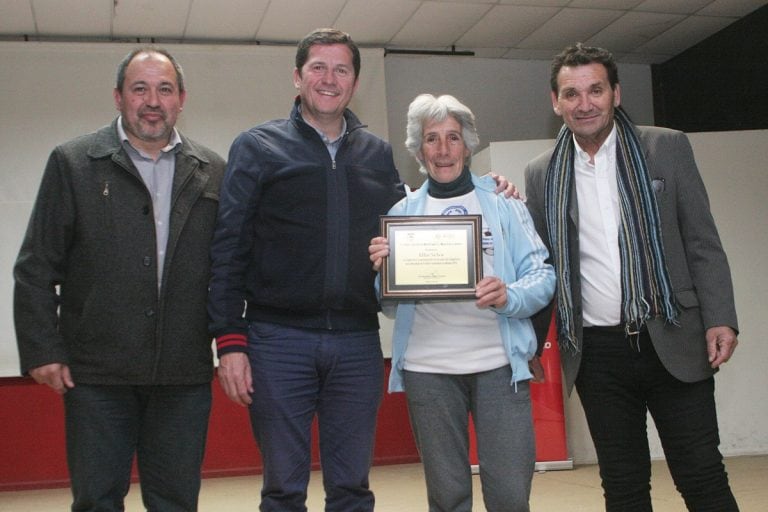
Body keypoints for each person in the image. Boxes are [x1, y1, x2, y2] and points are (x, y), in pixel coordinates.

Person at [207, 29, 514, 511]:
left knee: (352, 488)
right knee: (282, 489)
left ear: (354, 82)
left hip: (355, 342)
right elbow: (227, 247)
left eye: (341, 69)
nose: (329, 79)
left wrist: (489, 186)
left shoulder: (376, 154)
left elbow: (414, 221)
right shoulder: (258, 146)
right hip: (277, 340)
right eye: (318, 68)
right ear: (297, 76)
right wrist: (229, 341)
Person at [524, 43, 740, 511]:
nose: (585, 103)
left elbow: (701, 239)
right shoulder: (542, 174)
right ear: (555, 102)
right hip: (597, 355)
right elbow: (543, 268)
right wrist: (531, 342)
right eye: (571, 93)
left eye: (595, 90)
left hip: (674, 337)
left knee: (701, 474)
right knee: (622, 485)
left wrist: (721, 317)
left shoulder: (666, 147)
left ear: (616, 93)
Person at [13, 47, 226, 511]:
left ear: (181, 99)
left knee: (175, 501)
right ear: (118, 97)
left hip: (181, 375)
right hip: (96, 376)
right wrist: (43, 348)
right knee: (97, 500)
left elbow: (229, 268)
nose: (153, 100)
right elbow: (36, 264)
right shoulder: (73, 163)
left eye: (164, 89)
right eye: (140, 88)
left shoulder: (213, 170)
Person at [368, 94, 555, 512]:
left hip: (499, 367)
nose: (443, 149)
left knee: (509, 496)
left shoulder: (504, 202)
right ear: (418, 150)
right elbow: (390, 306)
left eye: (453, 137)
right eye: (431, 139)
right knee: (448, 498)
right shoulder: (402, 212)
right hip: (427, 371)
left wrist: (510, 295)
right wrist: (382, 274)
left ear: (468, 145)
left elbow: (543, 277)